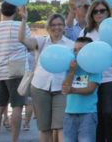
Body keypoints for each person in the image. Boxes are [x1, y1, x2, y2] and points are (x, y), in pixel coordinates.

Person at [17, 7, 75, 142]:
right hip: (40, 87)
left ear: (64, 26)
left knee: (61, 126)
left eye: (60, 24)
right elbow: (22, 40)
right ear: (48, 27)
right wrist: (24, 19)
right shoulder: (41, 41)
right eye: (53, 25)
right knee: (45, 128)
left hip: (61, 88)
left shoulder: (71, 45)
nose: (57, 27)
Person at [80, 0, 112, 142]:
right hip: (93, 77)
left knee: (109, 112)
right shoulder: (86, 32)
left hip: (111, 76)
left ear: (108, 12)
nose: (99, 14)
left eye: (102, 11)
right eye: (95, 11)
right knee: (96, 114)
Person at [0, 1, 30, 142]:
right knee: (17, 107)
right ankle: (14, 139)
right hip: (17, 70)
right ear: (15, 11)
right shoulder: (21, 26)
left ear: (2, 12)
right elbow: (29, 44)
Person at [61, 36, 101, 142]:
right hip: (70, 112)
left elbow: (90, 89)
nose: (77, 52)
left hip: (87, 113)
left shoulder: (94, 68)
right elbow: (64, 87)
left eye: (81, 49)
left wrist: (72, 90)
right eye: (75, 49)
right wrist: (72, 71)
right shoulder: (71, 67)